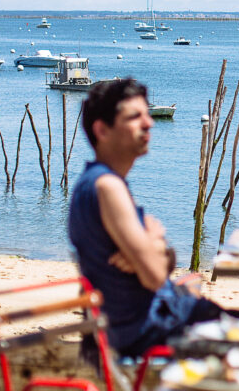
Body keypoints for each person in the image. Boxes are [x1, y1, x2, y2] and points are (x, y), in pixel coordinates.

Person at [69, 77, 226, 356]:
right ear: (102, 130)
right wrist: (152, 237)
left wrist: (153, 248)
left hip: (144, 324)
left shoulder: (95, 182)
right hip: (147, 333)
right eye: (135, 117)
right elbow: (154, 275)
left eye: (146, 114)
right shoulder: (107, 187)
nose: (149, 123)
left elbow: (159, 265)